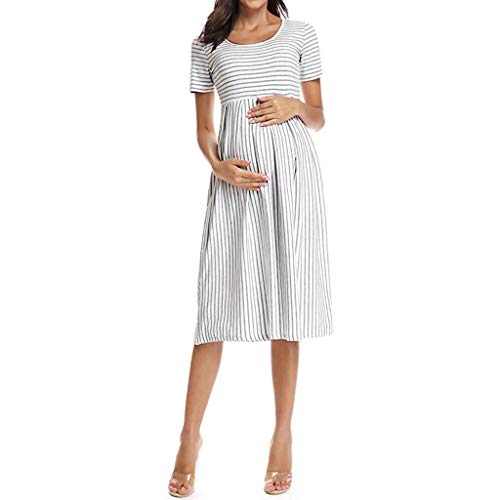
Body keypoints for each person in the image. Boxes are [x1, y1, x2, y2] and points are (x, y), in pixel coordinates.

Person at [168, 0, 333, 496]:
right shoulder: (206, 45)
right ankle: (189, 436)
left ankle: (282, 435)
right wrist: (218, 166)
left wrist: (294, 106)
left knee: (288, 303)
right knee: (214, 305)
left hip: (293, 179)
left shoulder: (300, 34)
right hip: (235, 182)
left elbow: (319, 117)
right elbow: (204, 127)